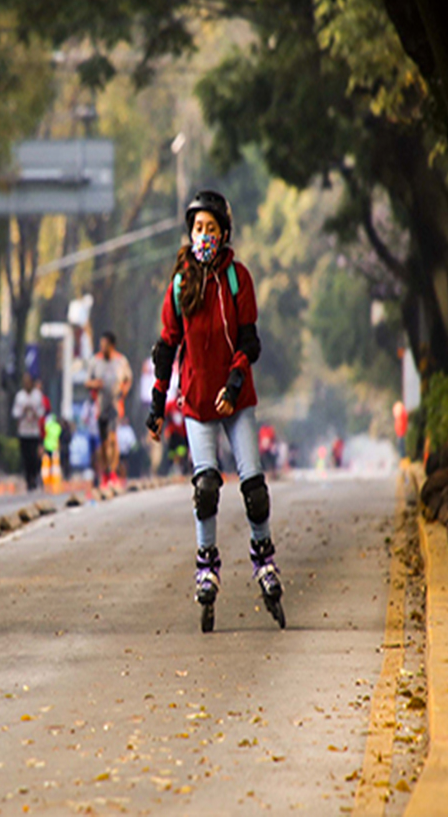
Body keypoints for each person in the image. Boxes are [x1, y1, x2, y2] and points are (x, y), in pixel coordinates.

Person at [146, 190, 284, 627]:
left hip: (235, 398)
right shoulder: (181, 282)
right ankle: (207, 565)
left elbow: (249, 340)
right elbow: (168, 345)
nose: (203, 235)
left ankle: (264, 558)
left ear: (224, 234)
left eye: (211, 228)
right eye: (197, 228)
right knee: (206, 486)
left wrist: (235, 379)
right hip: (197, 401)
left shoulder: (238, 278)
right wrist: (156, 400)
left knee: (254, 488)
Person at [85, 331, 132, 488]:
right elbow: (87, 382)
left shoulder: (121, 361)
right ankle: (105, 472)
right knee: (104, 442)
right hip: (100, 406)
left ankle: (113, 472)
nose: (102, 348)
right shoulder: (95, 361)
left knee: (113, 438)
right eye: (101, 345)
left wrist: (124, 390)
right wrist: (95, 384)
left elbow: (128, 379)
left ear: (112, 346)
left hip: (115, 405)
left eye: (104, 345)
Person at [12, 373, 45, 491]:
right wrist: (23, 410)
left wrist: (35, 412)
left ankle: (35, 475)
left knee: (34, 457)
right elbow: (15, 413)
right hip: (23, 431)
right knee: (26, 457)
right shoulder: (20, 396)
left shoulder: (37, 395)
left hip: (34, 431)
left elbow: (42, 411)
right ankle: (29, 480)